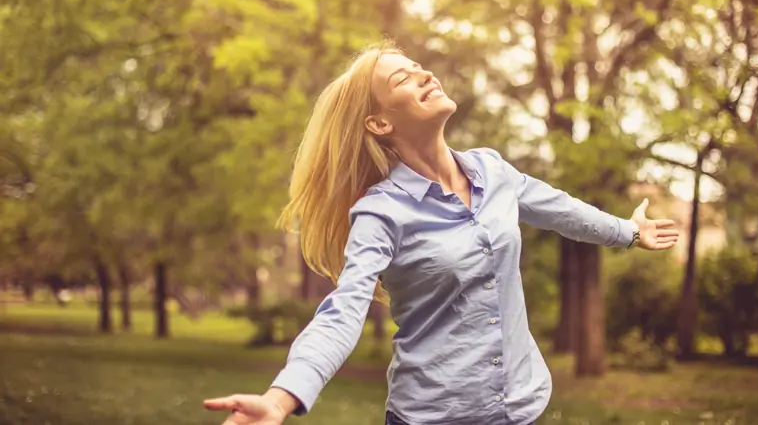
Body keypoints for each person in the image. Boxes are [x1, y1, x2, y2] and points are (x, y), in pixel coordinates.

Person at [203, 44, 680, 425]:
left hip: (519, 406)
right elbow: (342, 313)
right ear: (380, 123)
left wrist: (627, 231)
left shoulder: (492, 172)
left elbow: (560, 209)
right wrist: (281, 399)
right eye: (402, 79)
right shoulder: (379, 213)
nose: (425, 75)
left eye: (418, 67)